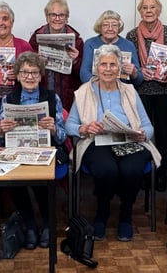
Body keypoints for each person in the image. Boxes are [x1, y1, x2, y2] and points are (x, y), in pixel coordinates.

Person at [66, 44, 160, 242]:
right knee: (106, 169)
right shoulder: (83, 91)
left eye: (112, 65)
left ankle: (125, 216)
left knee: (132, 169)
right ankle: (102, 213)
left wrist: (142, 134)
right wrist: (83, 129)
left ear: (119, 67)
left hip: (129, 141)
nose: (108, 69)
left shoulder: (130, 91)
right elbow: (70, 126)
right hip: (96, 142)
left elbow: (148, 126)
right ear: (96, 67)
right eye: (103, 65)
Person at [0, 52, 67, 249]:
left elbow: (62, 136)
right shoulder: (9, 99)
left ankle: (46, 224)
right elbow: (0, 139)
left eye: (34, 73)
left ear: (41, 75)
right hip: (18, 150)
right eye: (25, 72)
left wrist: (53, 128)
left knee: (39, 174)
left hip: (47, 149)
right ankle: (29, 225)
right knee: (14, 174)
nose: (29, 77)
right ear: (17, 75)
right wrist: (2, 130)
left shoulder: (53, 98)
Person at [127, 0, 167, 192]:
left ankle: (162, 174)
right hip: (141, 91)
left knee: (163, 135)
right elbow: (130, 64)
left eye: (152, 7)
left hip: (164, 91)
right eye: (145, 7)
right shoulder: (131, 35)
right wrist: (139, 71)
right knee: (142, 135)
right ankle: (145, 175)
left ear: (159, 10)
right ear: (140, 11)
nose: (148, 10)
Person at [28, 0, 84, 111]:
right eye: (53, 15)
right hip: (41, 92)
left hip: (68, 96)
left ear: (67, 17)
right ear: (47, 17)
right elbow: (27, 68)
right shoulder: (36, 38)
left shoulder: (77, 41)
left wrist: (76, 61)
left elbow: (83, 75)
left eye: (61, 15)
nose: (57, 19)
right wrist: (36, 62)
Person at [80, 10, 143, 86]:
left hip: (121, 91)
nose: (110, 29)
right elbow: (84, 73)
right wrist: (99, 87)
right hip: (95, 89)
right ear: (100, 27)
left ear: (119, 27)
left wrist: (134, 73)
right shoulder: (90, 43)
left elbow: (139, 80)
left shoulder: (128, 45)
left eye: (114, 25)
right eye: (106, 25)